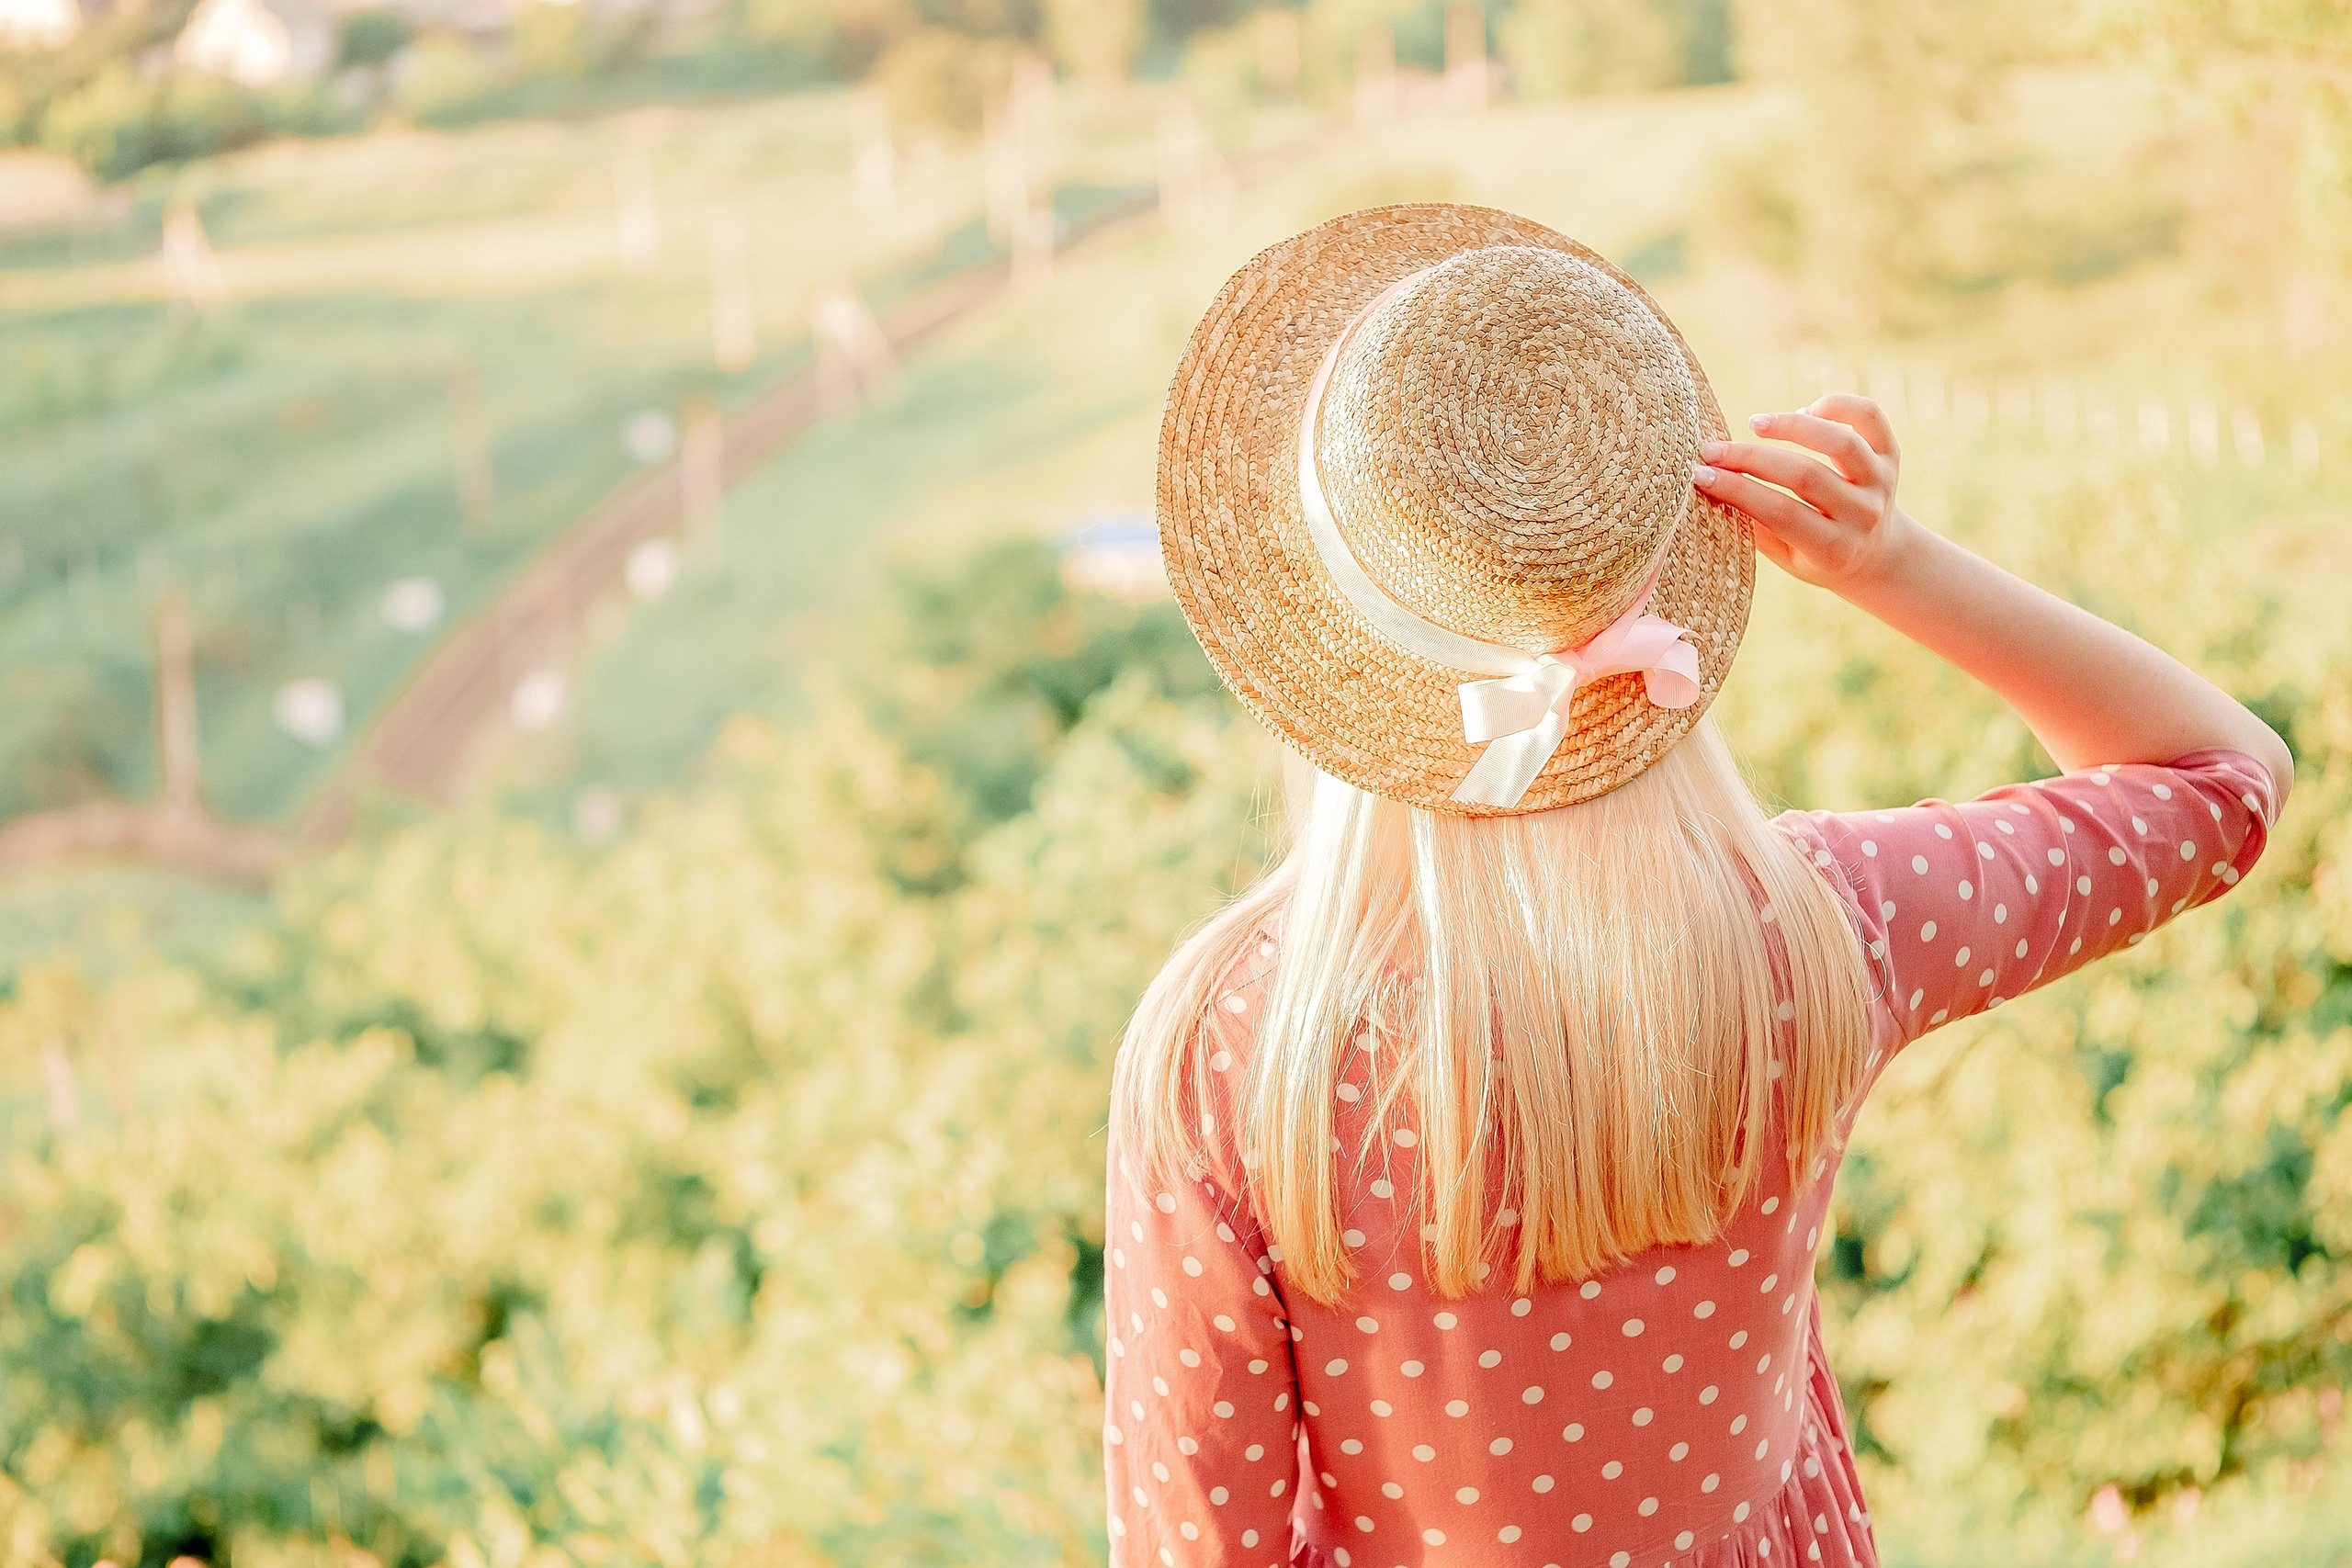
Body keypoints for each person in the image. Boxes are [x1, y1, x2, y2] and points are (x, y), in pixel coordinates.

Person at [1099, 205, 2291, 1567]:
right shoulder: (1827, 923)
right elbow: (2220, 779)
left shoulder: (1230, 1050)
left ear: (1324, 640)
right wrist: (1890, 563)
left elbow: (1200, 1540)